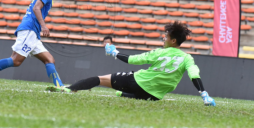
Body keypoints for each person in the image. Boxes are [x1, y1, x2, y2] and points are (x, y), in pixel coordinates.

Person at [48, 21, 216, 106]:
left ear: (173, 40)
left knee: (100, 79)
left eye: (166, 36)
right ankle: (123, 94)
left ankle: (68, 89)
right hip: (155, 96)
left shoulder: (159, 52)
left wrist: (114, 52)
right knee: (138, 97)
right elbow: (194, 75)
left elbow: (132, 60)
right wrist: (204, 95)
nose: (163, 38)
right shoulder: (188, 58)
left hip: (138, 82)